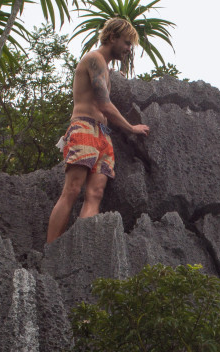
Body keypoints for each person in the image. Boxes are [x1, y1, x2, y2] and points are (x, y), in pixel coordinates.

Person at [46, 18, 151, 244]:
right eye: (126, 43)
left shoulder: (105, 67)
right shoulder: (94, 59)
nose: (128, 49)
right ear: (112, 37)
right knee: (73, 189)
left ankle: (84, 249)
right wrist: (131, 127)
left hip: (103, 135)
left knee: (95, 194)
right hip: (84, 128)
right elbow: (103, 103)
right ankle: (51, 250)